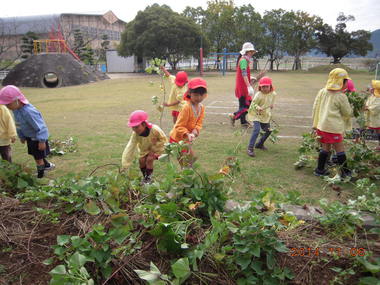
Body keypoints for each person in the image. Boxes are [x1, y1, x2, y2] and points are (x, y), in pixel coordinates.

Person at [0, 85, 55, 178]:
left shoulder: (29, 112)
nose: (7, 107)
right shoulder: (16, 110)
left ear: (17, 100)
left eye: (8, 104)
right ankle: (47, 165)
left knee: (38, 158)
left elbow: (41, 127)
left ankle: (41, 174)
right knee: (36, 155)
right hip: (30, 138)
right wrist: (21, 136)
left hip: (37, 139)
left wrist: (42, 141)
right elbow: (19, 125)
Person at [312, 68, 353, 178]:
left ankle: (319, 170)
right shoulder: (341, 96)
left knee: (325, 147)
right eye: (346, 81)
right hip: (333, 128)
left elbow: (316, 106)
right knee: (340, 148)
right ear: (341, 82)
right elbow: (347, 112)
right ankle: (345, 172)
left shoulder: (322, 92)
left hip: (322, 126)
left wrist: (315, 124)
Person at [169, 78, 207, 167]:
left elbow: (199, 122)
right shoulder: (187, 107)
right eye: (196, 95)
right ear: (189, 93)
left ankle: (186, 176)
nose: (199, 98)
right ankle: (183, 178)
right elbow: (179, 126)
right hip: (177, 139)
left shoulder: (202, 107)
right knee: (185, 163)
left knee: (191, 160)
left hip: (186, 139)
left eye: (202, 95)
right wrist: (187, 133)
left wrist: (195, 131)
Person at [121, 110, 167, 184]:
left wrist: (155, 148)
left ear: (144, 124)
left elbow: (164, 140)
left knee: (149, 159)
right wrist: (125, 163)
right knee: (141, 161)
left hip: (158, 149)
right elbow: (130, 147)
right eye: (133, 127)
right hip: (145, 151)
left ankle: (148, 178)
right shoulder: (135, 134)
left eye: (136, 127)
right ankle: (145, 177)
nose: (135, 130)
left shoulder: (155, 129)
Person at [229, 42, 258, 127]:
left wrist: (250, 77)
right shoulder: (244, 61)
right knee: (248, 105)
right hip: (243, 88)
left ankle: (243, 122)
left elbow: (244, 74)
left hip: (242, 86)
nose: (252, 53)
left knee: (242, 105)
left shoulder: (244, 60)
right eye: (251, 51)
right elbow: (244, 74)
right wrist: (249, 86)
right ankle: (234, 115)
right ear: (247, 51)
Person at [246, 77, 276, 157]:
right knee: (256, 130)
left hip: (265, 115)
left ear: (270, 86)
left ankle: (259, 144)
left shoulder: (273, 94)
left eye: (267, 86)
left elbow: (271, 102)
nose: (265, 88)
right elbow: (253, 104)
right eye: (263, 87)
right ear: (260, 87)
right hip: (255, 114)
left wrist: (271, 105)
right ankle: (250, 148)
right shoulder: (258, 95)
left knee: (268, 130)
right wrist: (257, 107)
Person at [364, 80, 380, 151]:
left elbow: (376, 107)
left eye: (372, 88)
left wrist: (368, 108)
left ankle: (376, 145)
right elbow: (368, 102)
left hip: (377, 119)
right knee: (376, 131)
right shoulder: (373, 96)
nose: (371, 88)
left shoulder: (378, 98)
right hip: (372, 118)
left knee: (377, 131)